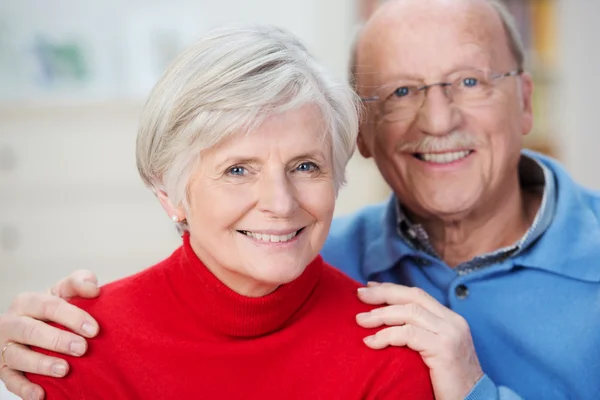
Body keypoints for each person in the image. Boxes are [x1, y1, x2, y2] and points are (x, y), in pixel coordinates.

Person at [2, 0, 599, 398]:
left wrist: (474, 391)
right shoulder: (319, 249)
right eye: (400, 91)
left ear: (526, 100)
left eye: (469, 81)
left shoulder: (381, 343)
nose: (436, 120)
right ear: (362, 136)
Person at [0, 24, 435, 400]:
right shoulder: (75, 346)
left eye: (306, 166)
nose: (280, 203)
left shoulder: (388, 354)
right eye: (238, 170)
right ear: (169, 193)